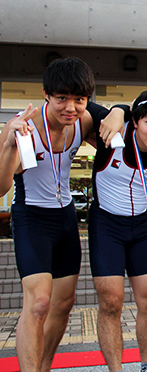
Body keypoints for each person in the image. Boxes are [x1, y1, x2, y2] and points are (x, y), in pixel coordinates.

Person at [0, 57, 114, 372]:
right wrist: (10, 145)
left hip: (66, 219)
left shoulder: (84, 121)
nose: (71, 107)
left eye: (79, 99)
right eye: (62, 98)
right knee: (37, 304)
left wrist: (117, 113)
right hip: (31, 218)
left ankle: (44, 366)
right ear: (46, 95)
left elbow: (115, 119)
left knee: (63, 305)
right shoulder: (22, 128)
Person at [88, 89, 147, 372]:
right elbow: (81, 104)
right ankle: (116, 369)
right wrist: (117, 109)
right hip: (106, 226)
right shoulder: (112, 134)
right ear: (135, 121)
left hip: (143, 226)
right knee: (111, 302)